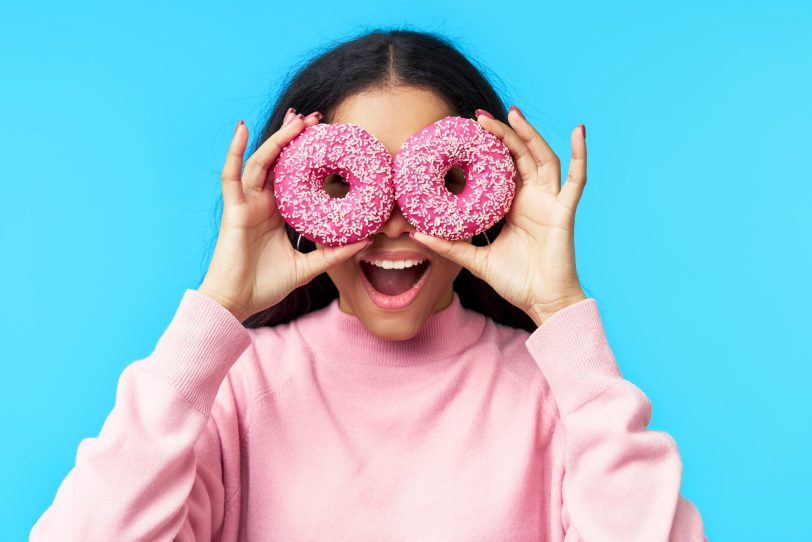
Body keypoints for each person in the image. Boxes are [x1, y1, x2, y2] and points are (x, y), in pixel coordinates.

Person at [30, 29, 707, 541]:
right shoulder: (233, 390)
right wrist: (214, 314)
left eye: (430, 181)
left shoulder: (560, 403)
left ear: (490, 197)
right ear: (289, 202)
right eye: (348, 185)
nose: (391, 228)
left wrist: (561, 315)